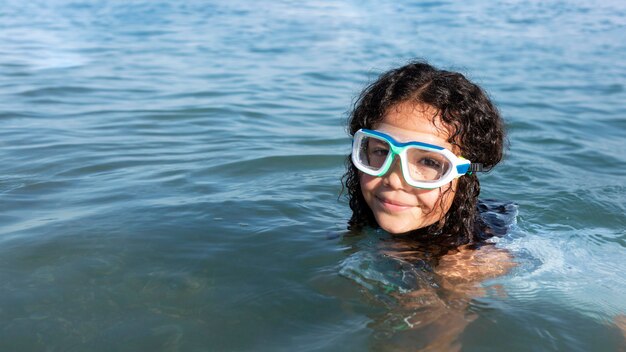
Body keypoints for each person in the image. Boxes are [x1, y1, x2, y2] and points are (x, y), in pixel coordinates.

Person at [341, 60, 514, 350]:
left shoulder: (461, 267)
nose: (394, 179)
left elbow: (437, 340)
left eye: (429, 162)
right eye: (381, 152)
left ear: (463, 176)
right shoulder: (372, 223)